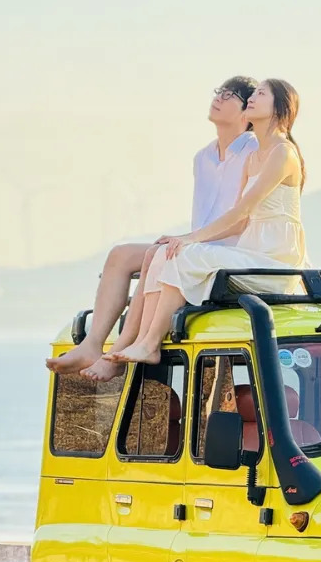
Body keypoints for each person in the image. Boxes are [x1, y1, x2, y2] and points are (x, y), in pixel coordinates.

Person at [45, 76, 260, 380]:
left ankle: (120, 350)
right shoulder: (203, 157)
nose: (219, 97)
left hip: (229, 251)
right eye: (219, 91)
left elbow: (243, 218)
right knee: (120, 255)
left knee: (159, 255)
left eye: (231, 94)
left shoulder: (255, 152)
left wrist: (188, 243)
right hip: (195, 245)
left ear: (246, 113)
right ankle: (92, 344)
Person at [109, 79, 308, 366]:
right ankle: (143, 341)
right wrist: (184, 240)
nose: (252, 97)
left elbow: (241, 210)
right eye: (253, 93)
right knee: (167, 253)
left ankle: (150, 343)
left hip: (273, 263)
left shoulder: (283, 152)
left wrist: (190, 239)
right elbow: (239, 223)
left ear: (279, 108)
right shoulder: (254, 157)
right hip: (250, 254)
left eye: (261, 93)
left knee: (185, 253)